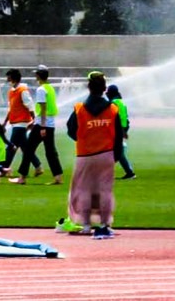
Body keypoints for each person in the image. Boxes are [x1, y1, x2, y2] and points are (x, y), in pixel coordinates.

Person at [63, 72, 123, 238]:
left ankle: (86, 225)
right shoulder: (112, 109)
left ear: (88, 88)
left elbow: (71, 130)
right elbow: (118, 135)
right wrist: (116, 154)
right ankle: (104, 224)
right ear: (104, 89)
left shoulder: (80, 109)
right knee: (105, 190)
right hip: (106, 154)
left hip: (84, 154)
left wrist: (83, 138)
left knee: (83, 190)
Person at [14, 65, 62, 185]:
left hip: (43, 125)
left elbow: (43, 108)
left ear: (39, 76)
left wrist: (42, 126)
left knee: (29, 149)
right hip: (48, 124)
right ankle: (58, 177)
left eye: (36, 74)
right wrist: (35, 123)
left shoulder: (41, 90)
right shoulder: (49, 88)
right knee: (50, 151)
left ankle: (22, 177)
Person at [2, 69, 37, 177]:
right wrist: (4, 123)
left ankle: (4, 168)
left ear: (12, 78)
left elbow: (30, 105)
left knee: (11, 146)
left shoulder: (22, 90)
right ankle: (38, 165)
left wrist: (34, 120)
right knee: (25, 147)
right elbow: (11, 109)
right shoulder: (12, 91)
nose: (7, 79)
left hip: (21, 123)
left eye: (8, 77)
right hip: (15, 122)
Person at [106, 85, 134, 180]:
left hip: (117, 128)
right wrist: (125, 130)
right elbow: (124, 117)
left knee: (114, 151)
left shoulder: (113, 103)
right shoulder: (120, 101)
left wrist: (121, 131)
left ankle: (129, 172)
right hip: (122, 127)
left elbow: (116, 117)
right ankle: (129, 172)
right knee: (116, 151)